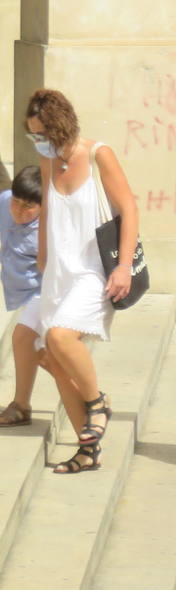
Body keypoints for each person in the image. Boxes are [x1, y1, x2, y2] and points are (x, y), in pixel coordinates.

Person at [22, 91, 138, 476]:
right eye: (32, 134)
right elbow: (50, 209)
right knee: (54, 360)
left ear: (60, 126)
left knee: (59, 337)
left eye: (41, 132)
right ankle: (86, 449)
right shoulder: (47, 159)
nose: (37, 140)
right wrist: (42, 258)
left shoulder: (98, 154)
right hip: (59, 271)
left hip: (94, 271)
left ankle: (98, 402)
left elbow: (129, 209)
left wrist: (123, 267)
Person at [0, 167, 42, 429]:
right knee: (43, 353)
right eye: (16, 202)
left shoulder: (51, 227)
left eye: (28, 206)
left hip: (48, 291)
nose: (18, 210)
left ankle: (21, 405)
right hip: (21, 291)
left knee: (25, 340)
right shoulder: (4, 202)